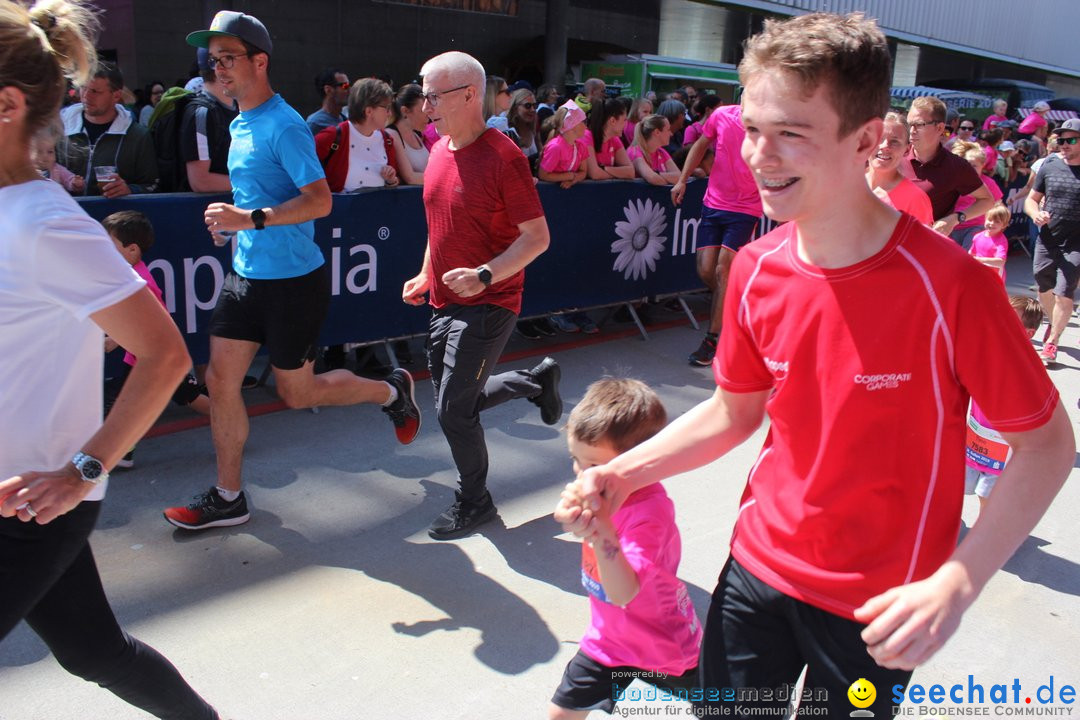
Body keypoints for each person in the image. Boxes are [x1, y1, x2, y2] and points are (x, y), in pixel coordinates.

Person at [558, 12, 1072, 718]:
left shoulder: (951, 286)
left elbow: (1045, 446)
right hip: (757, 571)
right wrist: (620, 473)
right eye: (754, 131)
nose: (759, 157)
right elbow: (735, 410)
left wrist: (957, 580)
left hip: (880, 607)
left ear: (865, 140)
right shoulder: (758, 269)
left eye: (791, 133)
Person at [0, 2, 220, 717]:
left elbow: (161, 354)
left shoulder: (45, 223)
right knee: (94, 652)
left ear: (6, 105)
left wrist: (85, 469)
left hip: (31, 504)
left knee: (94, 652)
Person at [164, 10, 421, 531]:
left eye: (228, 58)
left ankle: (390, 390)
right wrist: (232, 226)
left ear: (259, 61)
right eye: (213, 61)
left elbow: (321, 202)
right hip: (245, 274)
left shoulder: (285, 125)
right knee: (221, 378)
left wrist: (251, 219)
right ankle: (228, 494)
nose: (219, 70)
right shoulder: (237, 122)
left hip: (293, 281)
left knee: (296, 392)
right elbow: (250, 196)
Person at [402, 51, 563, 540]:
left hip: (491, 300)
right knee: (457, 401)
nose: (424, 104)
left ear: (469, 95)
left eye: (433, 94)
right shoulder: (437, 149)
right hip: (445, 301)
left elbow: (537, 236)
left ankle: (476, 502)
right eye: (424, 93)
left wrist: (487, 275)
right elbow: (439, 223)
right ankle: (535, 383)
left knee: (453, 410)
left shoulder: (504, 157)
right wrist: (428, 272)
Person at [549, 378, 702, 720]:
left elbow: (622, 592)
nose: (581, 475)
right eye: (576, 460)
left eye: (593, 467)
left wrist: (600, 529)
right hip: (607, 641)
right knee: (562, 713)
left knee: (722, 709)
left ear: (636, 464)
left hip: (663, 645)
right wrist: (575, 517)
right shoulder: (597, 491)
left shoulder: (649, 514)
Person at [101, 211, 211, 469]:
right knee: (127, 405)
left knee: (191, 397)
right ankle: (124, 453)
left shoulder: (140, 282)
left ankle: (229, 420)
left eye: (109, 246)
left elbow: (145, 320)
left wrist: (113, 341)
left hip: (160, 357)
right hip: (143, 355)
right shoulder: (130, 274)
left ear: (131, 250)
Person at [672, 103, 762, 366]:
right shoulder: (722, 115)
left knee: (724, 270)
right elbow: (700, 145)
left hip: (746, 209)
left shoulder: (769, 123)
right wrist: (682, 179)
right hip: (714, 204)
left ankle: (711, 340)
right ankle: (737, 307)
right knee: (705, 270)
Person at [964, 296, 1044, 517]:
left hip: (1003, 447)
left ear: (1028, 333)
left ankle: (986, 541)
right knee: (959, 485)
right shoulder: (988, 351)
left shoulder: (1029, 368)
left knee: (988, 497)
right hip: (974, 439)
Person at [1024, 117, 1080, 366]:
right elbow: (1031, 199)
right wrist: (1036, 213)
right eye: (1060, 140)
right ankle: (1052, 321)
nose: (1064, 144)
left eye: (1070, 140)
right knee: (1042, 283)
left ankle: (1053, 340)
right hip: (1047, 239)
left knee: (1063, 292)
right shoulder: (1049, 164)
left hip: (1076, 244)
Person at [57, 62, 158, 197]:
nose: (86, 96)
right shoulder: (59, 128)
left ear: (116, 96)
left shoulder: (138, 136)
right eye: (83, 88)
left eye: (95, 91)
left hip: (114, 215)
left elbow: (152, 185)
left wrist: (129, 189)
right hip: (66, 214)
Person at [905, 95, 994, 234]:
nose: (912, 130)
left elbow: (987, 200)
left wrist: (956, 218)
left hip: (926, 248)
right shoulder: (894, 156)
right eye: (909, 124)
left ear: (940, 128)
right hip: (887, 245)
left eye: (919, 124)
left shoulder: (956, 166)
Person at [315, 77, 400, 192]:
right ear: (369, 111)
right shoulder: (332, 136)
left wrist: (391, 180)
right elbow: (301, 168)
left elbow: (392, 183)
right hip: (343, 209)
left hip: (379, 208)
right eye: (387, 108)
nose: (390, 113)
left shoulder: (387, 140)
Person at [179, 46, 237, 193]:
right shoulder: (201, 113)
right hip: (206, 213)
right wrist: (256, 185)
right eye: (232, 60)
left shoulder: (238, 108)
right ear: (219, 68)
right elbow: (200, 181)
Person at [866, 111, 933, 225]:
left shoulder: (915, 199)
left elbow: (921, 242)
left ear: (907, 150)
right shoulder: (848, 186)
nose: (885, 146)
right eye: (879, 138)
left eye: (895, 141)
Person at [948, 140, 1004, 248]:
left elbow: (998, 204)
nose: (970, 168)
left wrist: (999, 221)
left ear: (982, 165)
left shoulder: (988, 183)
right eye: (967, 164)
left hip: (976, 227)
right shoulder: (954, 180)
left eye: (974, 166)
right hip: (952, 225)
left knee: (967, 257)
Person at [385, 83, 429, 186]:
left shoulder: (417, 135)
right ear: (405, 111)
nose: (428, 115)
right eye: (423, 110)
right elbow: (410, 178)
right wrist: (443, 178)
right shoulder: (392, 135)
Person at [537, 99, 588, 188]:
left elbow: (583, 171)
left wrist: (573, 180)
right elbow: (543, 175)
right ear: (572, 126)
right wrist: (569, 176)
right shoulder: (555, 148)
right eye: (583, 122)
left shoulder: (581, 146)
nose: (586, 126)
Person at [584, 97, 633, 180]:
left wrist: (603, 169)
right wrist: (618, 175)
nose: (626, 124)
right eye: (624, 120)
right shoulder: (586, 136)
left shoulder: (614, 139)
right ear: (612, 121)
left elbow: (630, 172)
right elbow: (595, 174)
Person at [31, 122, 83, 192]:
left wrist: (75, 183)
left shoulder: (57, 169)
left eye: (50, 152)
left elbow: (68, 179)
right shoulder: (26, 170)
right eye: (39, 152)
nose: (45, 156)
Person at [627, 114, 679, 185]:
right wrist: (669, 179)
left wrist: (658, 175)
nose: (671, 134)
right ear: (657, 132)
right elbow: (653, 178)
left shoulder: (662, 152)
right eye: (668, 130)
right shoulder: (634, 152)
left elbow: (679, 177)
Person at [968, 202, 1011, 281]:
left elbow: (1000, 262)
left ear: (1004, 225)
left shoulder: (1001, 241)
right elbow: (971, 254)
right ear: (985, 219)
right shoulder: (977, 236)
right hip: (978, 275)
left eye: (997, 221)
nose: (992, 223)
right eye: (990, 220)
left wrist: (980, 260)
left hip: (994, 278)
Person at [306, 67, 349, 134]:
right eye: (345, 86)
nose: (349, 90)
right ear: (328, 90)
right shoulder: (315, 123)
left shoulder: (345, 119)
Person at [506, 88, 542, 167]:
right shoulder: (506, 131)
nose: (532, 110)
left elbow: (541, 153)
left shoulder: (533, 128)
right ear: (515, 108)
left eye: (535, 106)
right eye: (528, 106)